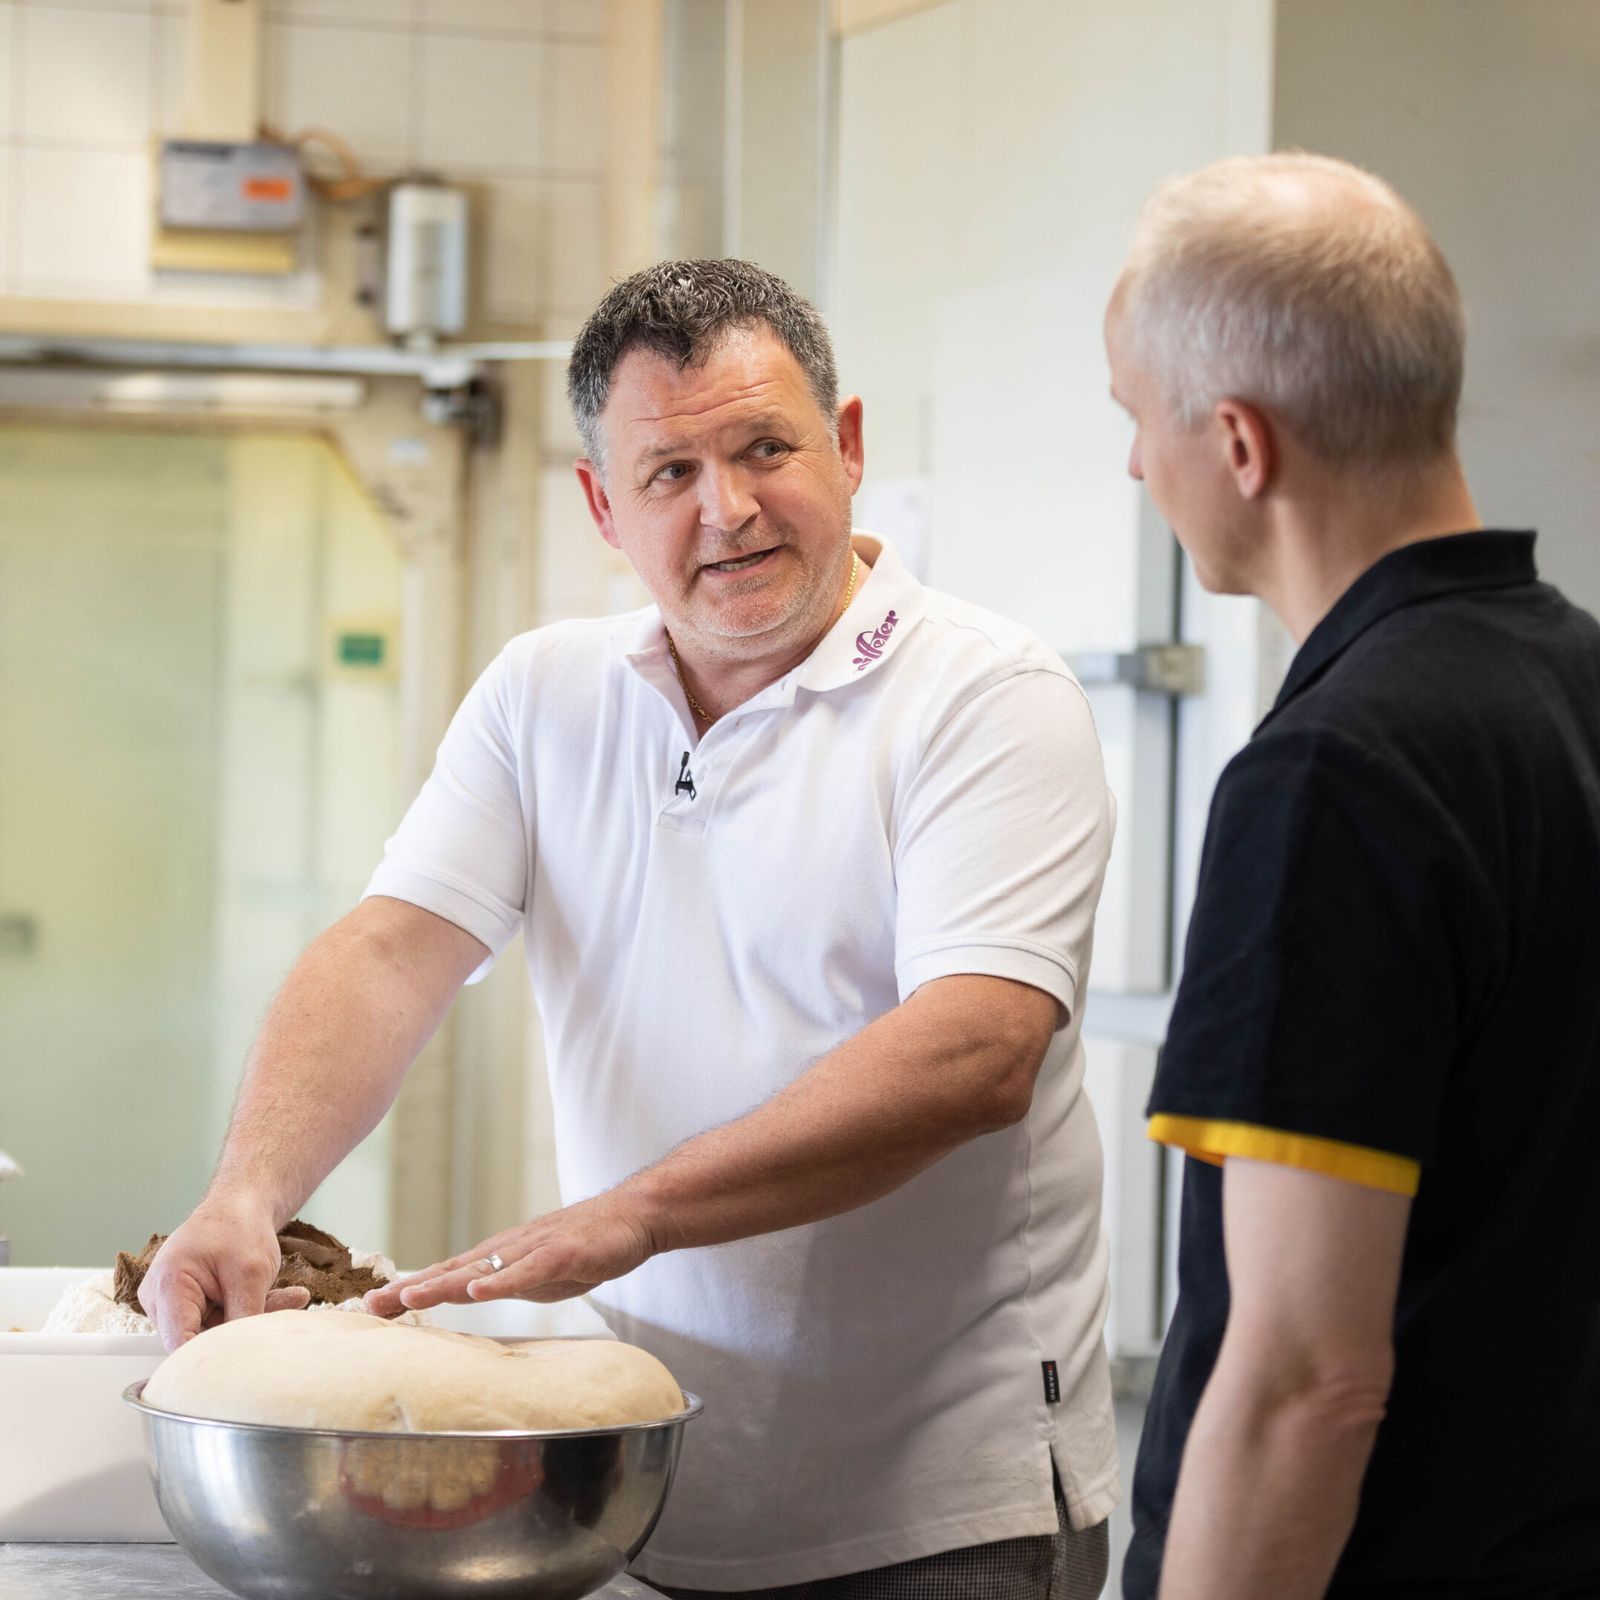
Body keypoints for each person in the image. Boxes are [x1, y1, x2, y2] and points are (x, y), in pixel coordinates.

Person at [143, 259, 1119, 1598]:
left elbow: (975, 1052)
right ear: (604, 505)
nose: (729, 509)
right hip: (638, 1491)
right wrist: (248, 1192)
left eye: (766, 448)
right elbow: (389, 951)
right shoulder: (546, 695)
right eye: (669, 472)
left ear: (846, 447)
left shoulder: (985, 696)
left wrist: (634, 1216)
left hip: (936, 1510)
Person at [1107, 153, 1600, 1599]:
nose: (1135, 468)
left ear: (1239, 444)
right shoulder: (1574, 684)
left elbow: (1306, 1380)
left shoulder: (1337, 774)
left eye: (1136, 420)